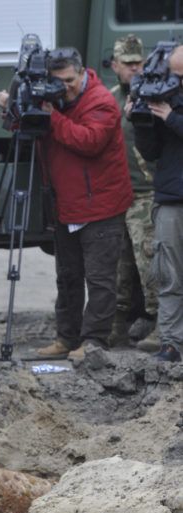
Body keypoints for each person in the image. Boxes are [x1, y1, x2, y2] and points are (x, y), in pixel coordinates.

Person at [33, 47, 133, 360]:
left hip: (101, 206)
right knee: (68, 277)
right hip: (66, 205)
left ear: (82, 73)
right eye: (58, 81)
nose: (66, 87)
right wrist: (19, 108)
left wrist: (51, 116)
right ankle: (66, 338)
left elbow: (88, 141)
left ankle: (94, 342)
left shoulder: (101, 101)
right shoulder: (55, 102)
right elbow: (26, 131)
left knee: (100, 279)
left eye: (70, 80)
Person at [133, 44, 183, 363]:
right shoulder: (166, 99)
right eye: (174, 75)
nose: (176, 81)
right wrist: (142, 120)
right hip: (171, 200)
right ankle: (171, 343)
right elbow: (150, 153)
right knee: (169, 276)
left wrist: (172, 118)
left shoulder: (173, 109)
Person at [109, 34, 158, 350]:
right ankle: (116, 326)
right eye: (128, 64)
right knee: (116, 266)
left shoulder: (156, 96)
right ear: (115, 66)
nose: (135, 69)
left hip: (147, 194)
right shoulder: (109, 98)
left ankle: (160, 324)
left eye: (139, 62)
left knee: (151, 262)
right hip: (116, 195)